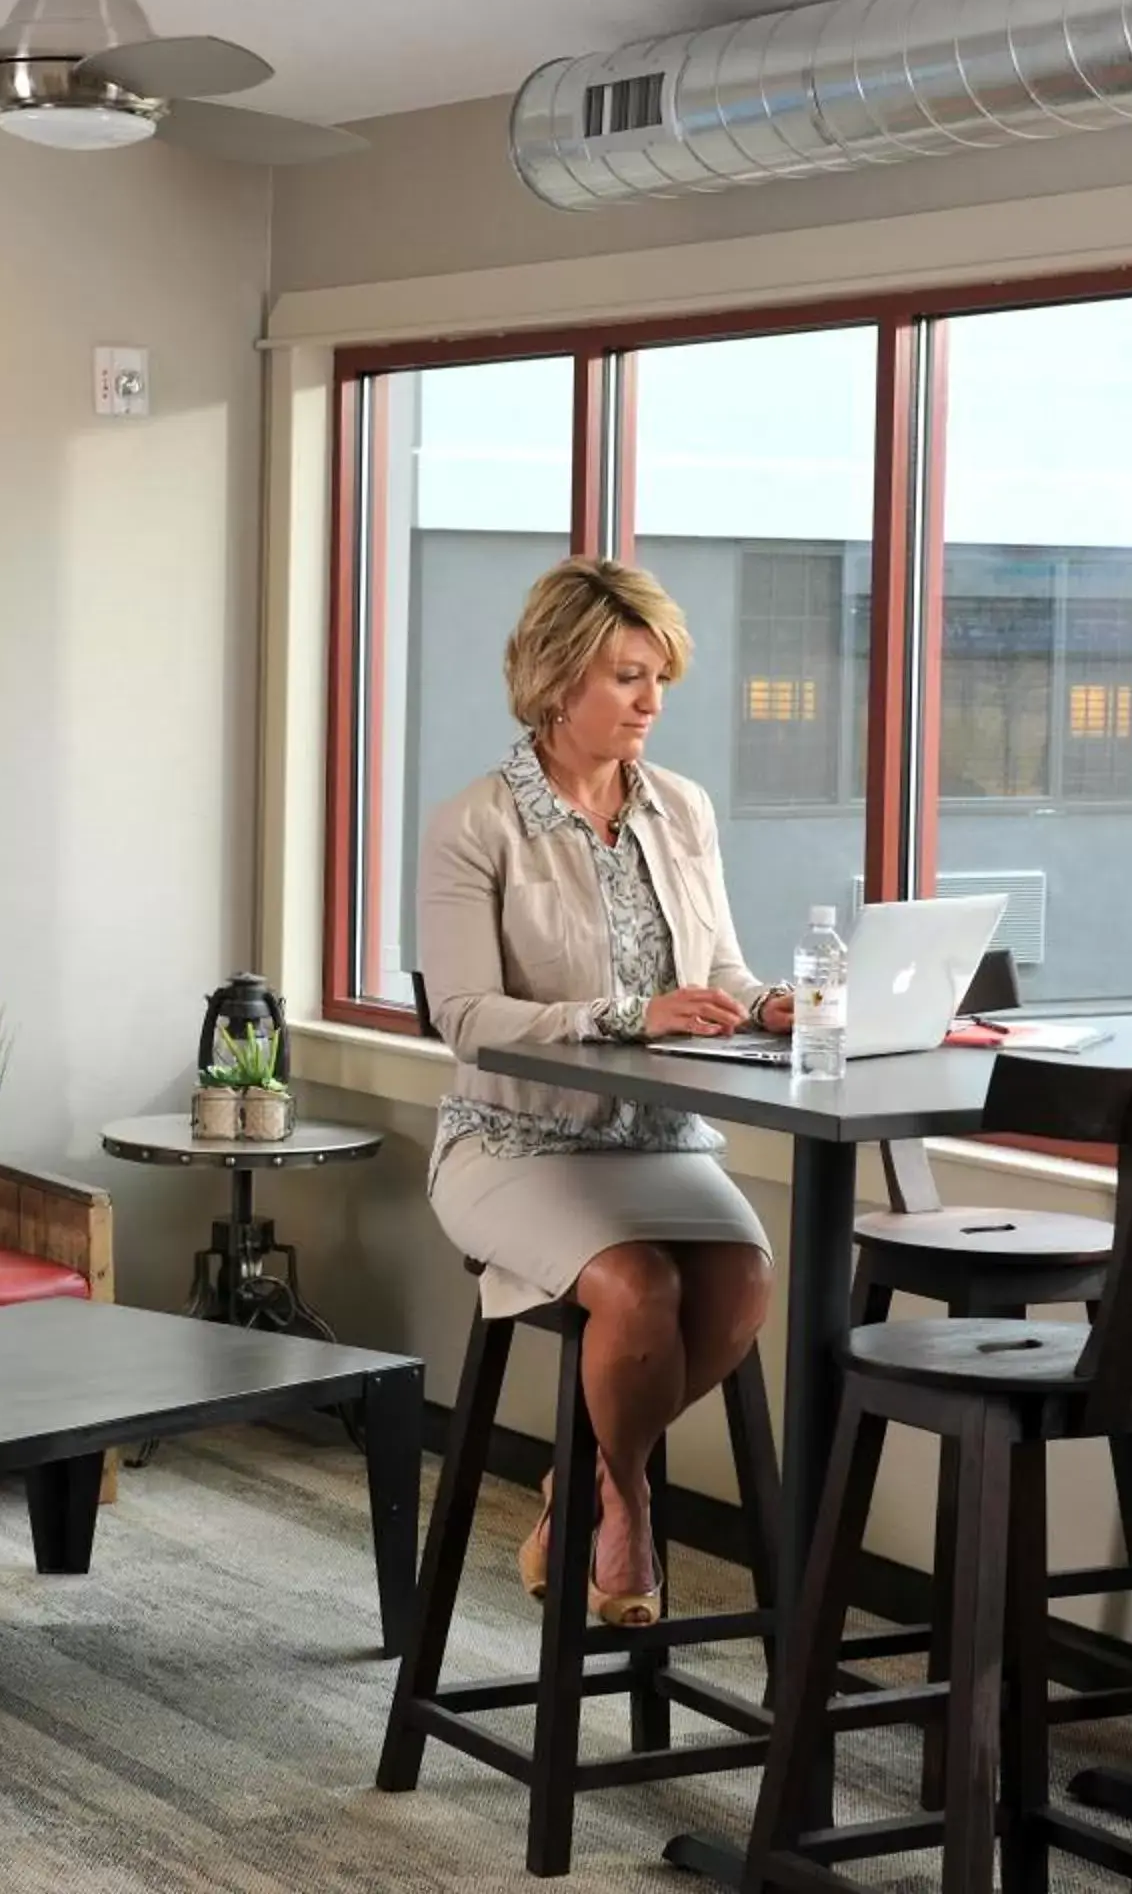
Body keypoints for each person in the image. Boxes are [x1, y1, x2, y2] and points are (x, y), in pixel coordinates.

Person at [418, 557, 794, 1628]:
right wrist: (625, 1014)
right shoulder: (477, 823)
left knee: (740, 1282)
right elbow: (464, 1014)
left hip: (663, 1136)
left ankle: (571, 1481)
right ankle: (619, 1495)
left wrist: (770, 1006)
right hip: (513, 1141)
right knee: (641, 1290)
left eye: (659, 678)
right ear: (556, 676)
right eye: (628, 676)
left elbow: (717, 974)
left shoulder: (682, 809)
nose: (651, 702)